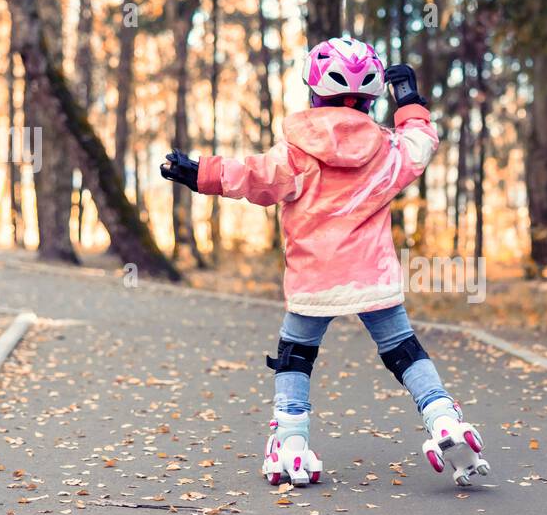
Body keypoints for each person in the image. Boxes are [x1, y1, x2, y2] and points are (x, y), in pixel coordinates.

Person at [160, 35, 489, 487]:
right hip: (372, 278)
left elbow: (255, 177)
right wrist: (410, 101)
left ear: (314, 94)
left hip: (316, 280)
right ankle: (444, 419)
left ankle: (292, 443)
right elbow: (420, 145)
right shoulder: (387, 148)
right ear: (370, 101)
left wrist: (203, 173)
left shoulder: (298, 153)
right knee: (404, 351)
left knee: (295, 356)